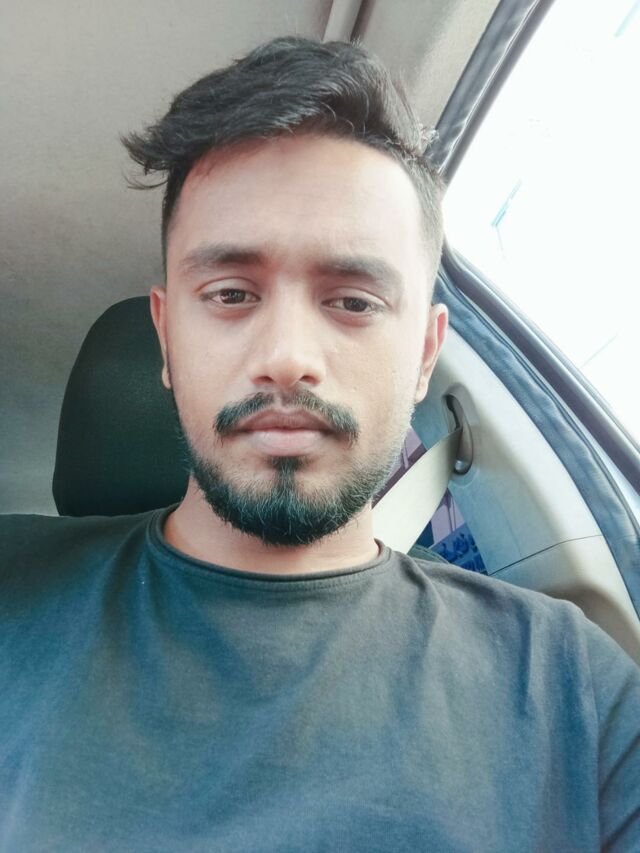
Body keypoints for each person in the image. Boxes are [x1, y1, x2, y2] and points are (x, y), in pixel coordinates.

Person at [1, 36, 638, 853]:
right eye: (231, 293)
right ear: (166, 338)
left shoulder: (573, 693)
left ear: (424, 353)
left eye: (353, 301)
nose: (287, 355)